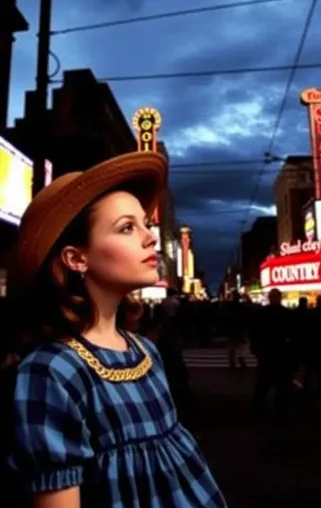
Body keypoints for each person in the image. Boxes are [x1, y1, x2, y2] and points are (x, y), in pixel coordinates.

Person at [3, 151, 226, 507]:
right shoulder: (51, 371)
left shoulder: (144, 350)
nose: (150, 238)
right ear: (77, 258)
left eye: (144, 223)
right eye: (126, 227)